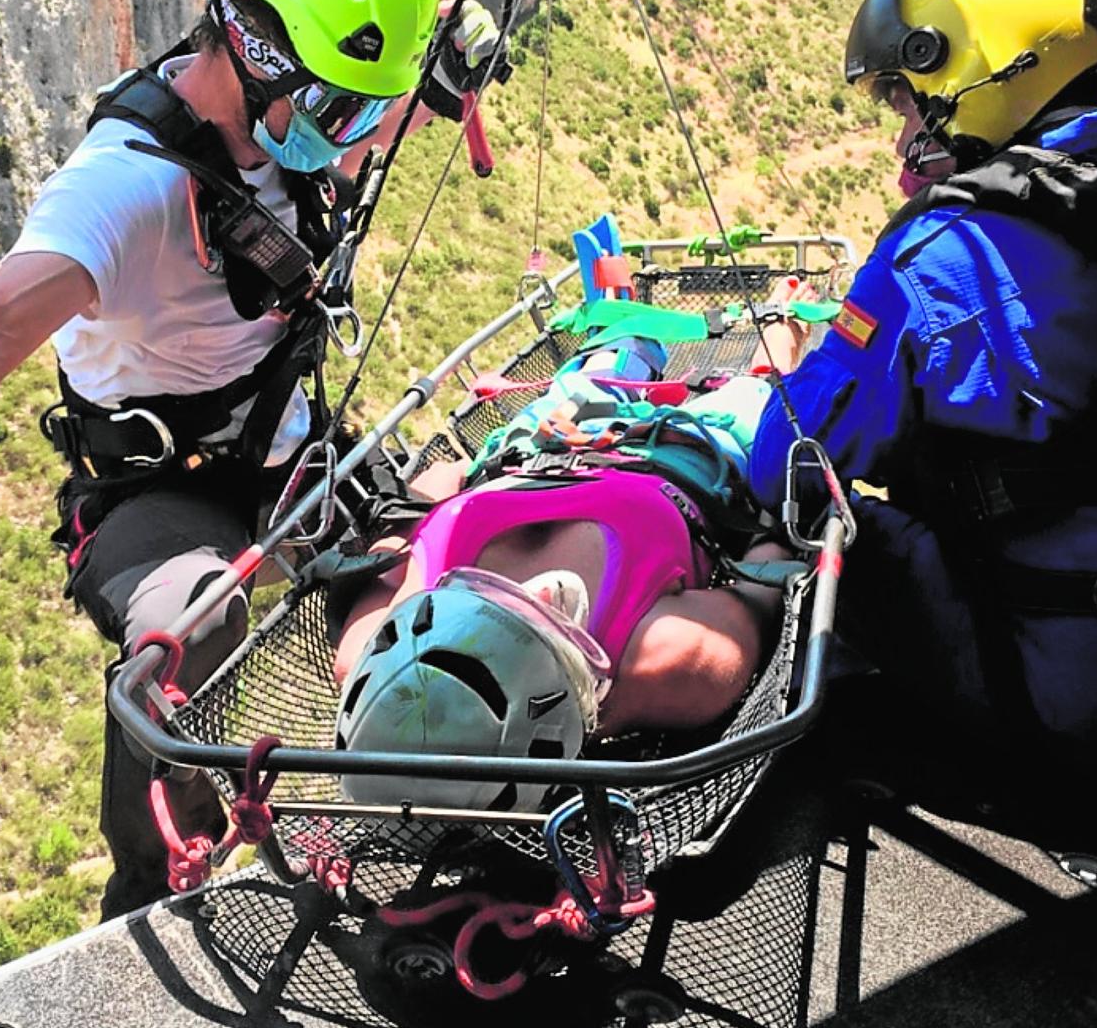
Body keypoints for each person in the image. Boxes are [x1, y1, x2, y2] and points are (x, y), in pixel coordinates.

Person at [0, 0, 500, 916]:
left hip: (284, 439)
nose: (358, 135)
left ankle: (399, 792)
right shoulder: (128, 184)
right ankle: (154, 887)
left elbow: (358, 126)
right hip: (158, 492)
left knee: (456, 545)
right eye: (340, 103)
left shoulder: (291, 118)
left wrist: (435, 86)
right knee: (190, 630)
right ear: (254, 49)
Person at [748, 0, 1097, 830]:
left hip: (1069, 706)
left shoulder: (945, 257)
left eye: (907, 99)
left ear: (969, 76)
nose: (905, 131)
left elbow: (785, 461)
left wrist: (797, 363)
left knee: (794, 537)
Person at [330, 338, 801, 811]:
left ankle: (630, 341)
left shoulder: (363, 650)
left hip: (540, 441)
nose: (538, 591)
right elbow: (761, 577)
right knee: (759, 393)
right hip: (683, 450)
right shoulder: (667, 664)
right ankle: (771, 337)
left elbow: (429, 487)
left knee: (597, 371)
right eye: (544, 621)